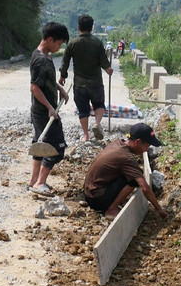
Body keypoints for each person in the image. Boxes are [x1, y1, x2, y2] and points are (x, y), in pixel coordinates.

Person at [84, 123, 168, 219]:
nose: (146, 150)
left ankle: (111, 202)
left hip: (89, 192)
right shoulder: (126, 157)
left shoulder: (117, 143)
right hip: (96, 199)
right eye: (146, 146)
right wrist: (158, 208)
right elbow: (145, 188)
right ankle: (111, 210)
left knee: (132, 174)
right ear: (137, 142)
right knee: (134, 180)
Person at [29, 22, 70, 196]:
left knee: (40, 145)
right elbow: (34, 88)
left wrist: (60, 90)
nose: (59, 47)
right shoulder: (39, 60)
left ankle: (33, 182)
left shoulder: (45, 56)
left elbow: (45, 80)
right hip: (44, 113)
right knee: (56, 149)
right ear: (50, 39)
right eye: (59, 44)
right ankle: (40, 183)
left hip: (43, 111)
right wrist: (50, 108)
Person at [59, 14, 113, 142]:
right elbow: (104, 62)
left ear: (78, 27)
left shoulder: (72, 43)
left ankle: (86, 135)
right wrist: (108, 69)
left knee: (83, 110)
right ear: (92, 27)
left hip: (79, 84)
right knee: (99, 104)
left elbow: (65, 62)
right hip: (96, 83)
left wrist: (62, 76)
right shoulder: (97, 43)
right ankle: (97, 124)